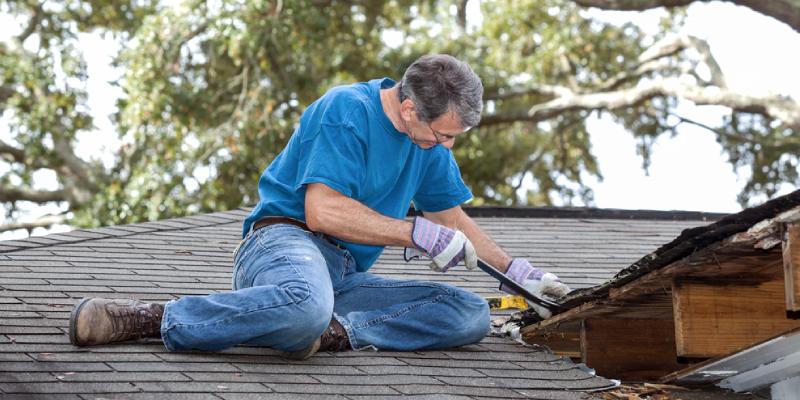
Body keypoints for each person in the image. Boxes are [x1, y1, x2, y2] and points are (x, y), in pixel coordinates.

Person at [69, 54, 570, 359]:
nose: (448, 147)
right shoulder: (346, 110)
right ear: (411, 108)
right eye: (445, 135)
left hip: (344, 274)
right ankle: (152, 319)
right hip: (283, 244)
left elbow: (450, 217)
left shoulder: (428, 146)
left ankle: (327, 333)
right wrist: (412, 233)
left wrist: (514, 273)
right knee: (304, 303)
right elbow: (322, 212)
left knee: (467, 314)